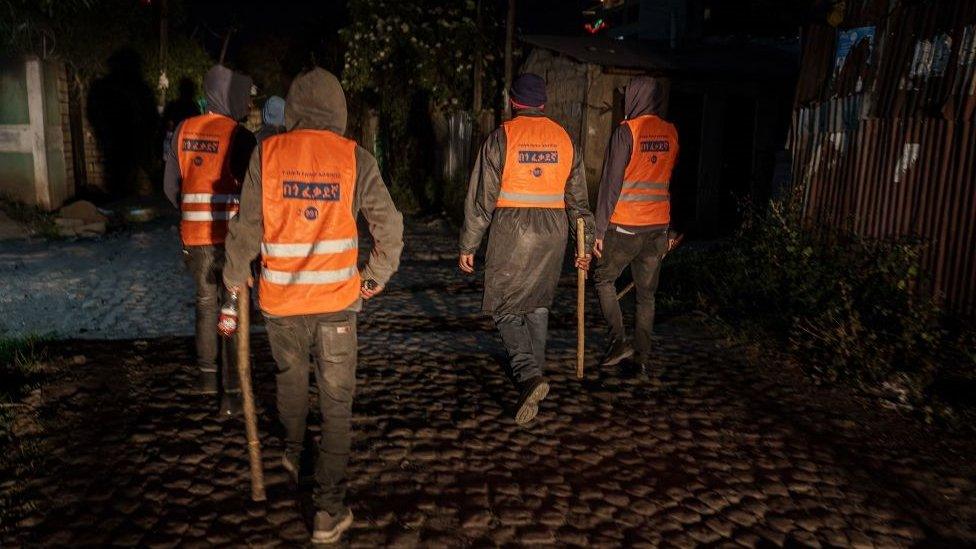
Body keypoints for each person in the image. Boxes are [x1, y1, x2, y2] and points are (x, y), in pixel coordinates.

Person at [218, 68, 404, 544]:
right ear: (340, 111)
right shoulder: (354, 158)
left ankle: (293, 452)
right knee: (337, 405)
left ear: (296, 109)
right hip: (339, 305)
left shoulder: (269, 153)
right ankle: (327, 511)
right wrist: (375, 277)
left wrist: (233, 281)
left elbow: (246, 228)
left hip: (280, 303)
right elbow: (390, 227)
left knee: (290, 380)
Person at [459, 73, 594, 426]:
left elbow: (481, 200)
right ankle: (534, 382)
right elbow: (579, 203)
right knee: (537, 303)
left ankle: (528, 375)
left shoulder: (502, 138)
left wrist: (469, 244)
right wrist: (585, 244)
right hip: (554, 232)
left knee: (504, 306)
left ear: (514, 102)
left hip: (512, 230)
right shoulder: (566, 140)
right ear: (543, 103)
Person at [163, 64, 256, 414]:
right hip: (228, 239)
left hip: (194, 236)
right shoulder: (239, 136)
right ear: (231, 96)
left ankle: (205, 377)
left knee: (204, 304)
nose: (246, 104)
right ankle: (230, 392)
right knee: (230, 308)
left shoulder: (184, 130)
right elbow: (252, 193)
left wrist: (189, 210)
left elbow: (170, 187)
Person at [592, 77, 679, 375]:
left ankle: (618, 341)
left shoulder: (626, 132)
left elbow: (610, 184)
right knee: (646, 296)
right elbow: (666, 178)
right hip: (658, 227)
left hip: (625, 227)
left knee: (603, 280)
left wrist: (599, 230)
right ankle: (641, 356)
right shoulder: (671, 132)